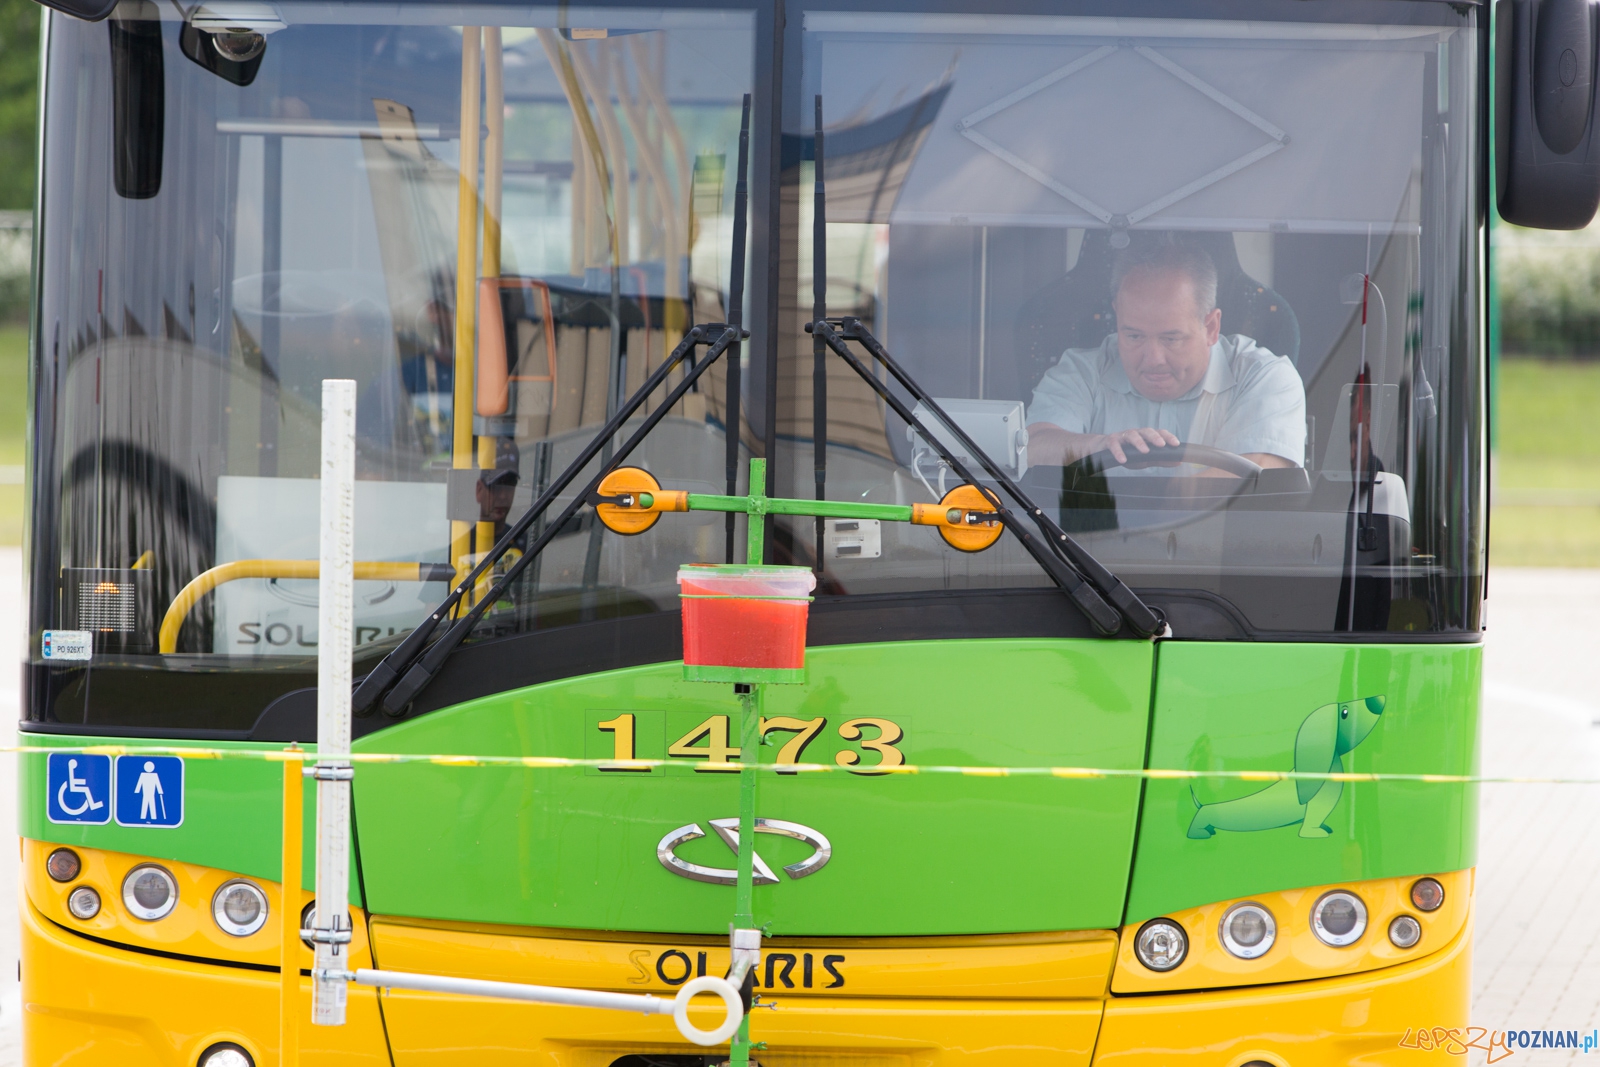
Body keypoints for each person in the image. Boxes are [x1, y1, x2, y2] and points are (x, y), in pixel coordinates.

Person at [1025, 241, 1305, 475]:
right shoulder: (1080, 372)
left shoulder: (1265, 377)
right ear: (1117, 317)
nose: (1153, 359)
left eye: (1171, 338)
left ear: (1210, 328)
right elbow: (1032, 448)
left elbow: (1260, 476)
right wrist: (1102, 446)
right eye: (1134, 336)